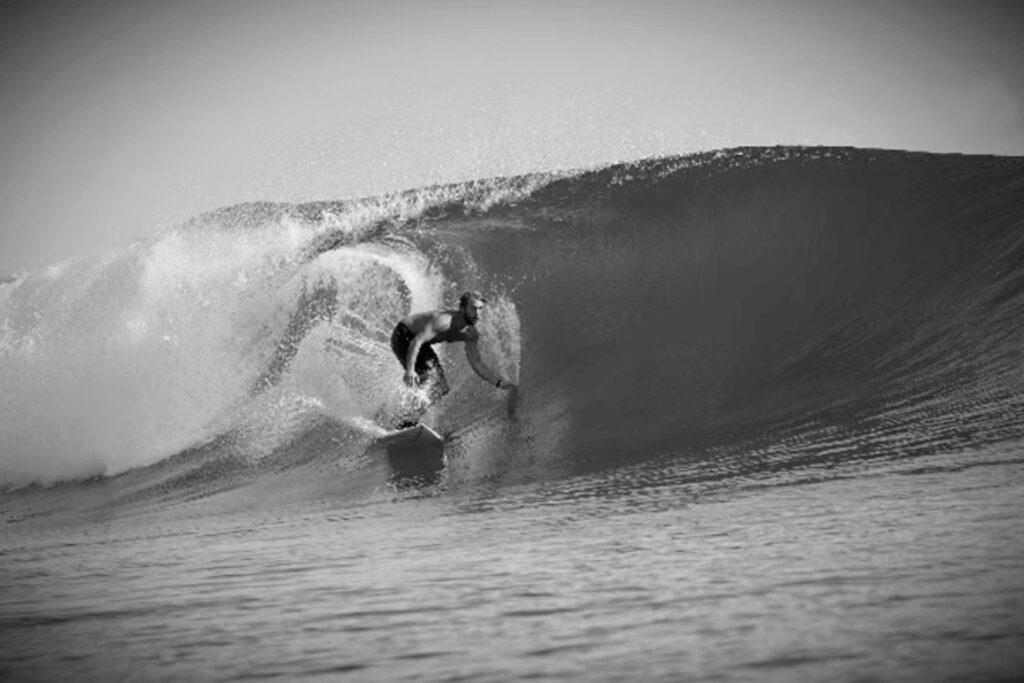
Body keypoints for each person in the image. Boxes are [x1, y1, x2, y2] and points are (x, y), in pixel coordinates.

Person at [390, 291, 516, 418]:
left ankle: (404, 415)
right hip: (404, 335)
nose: (477, 313)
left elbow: (476, 362)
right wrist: (410, 370)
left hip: (422, 345)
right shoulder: (444, 322)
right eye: (473, 308)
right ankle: (404, 417)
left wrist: (498, 383)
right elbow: (416, 341)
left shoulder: (471, 334)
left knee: (441, 388)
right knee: (429, 378)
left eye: (480, 309)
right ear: (462, 309)